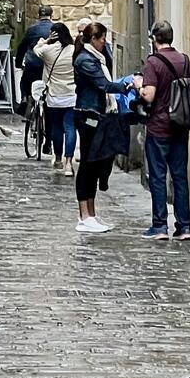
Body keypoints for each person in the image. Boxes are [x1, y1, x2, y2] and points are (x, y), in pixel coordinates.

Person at [71, 21, 139, 233]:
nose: (104, 42)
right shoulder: (86, 60)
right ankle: (84, 215)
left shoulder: (96, 57)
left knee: (94, 163)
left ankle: (91, 213)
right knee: (87, 164)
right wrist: (128, 84)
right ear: (93, 39)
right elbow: (104, 85)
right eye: (102, 39)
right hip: (88, 115)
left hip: (97, 114)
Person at [138, 20, 190, 239]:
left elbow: (149, 95)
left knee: (158, 177)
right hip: (180, 125)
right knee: (180, 176)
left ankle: (160, 226)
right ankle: (184, 226)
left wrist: (138, 86)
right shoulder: (185, 61)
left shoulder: (153, 62)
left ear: (155, 38)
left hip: (159, 126)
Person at [34, 21, 78, 173]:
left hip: (54, 96)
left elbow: (36, 50)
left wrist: (46, 40)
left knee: (57, 128)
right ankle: (69, 163)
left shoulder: (47, 51)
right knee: (70, 128)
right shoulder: (74, 50)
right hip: (71, 94)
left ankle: (58, 159)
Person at [15, 5, 55, 112]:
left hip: (33, 63)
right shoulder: (54, 29)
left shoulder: (31, 29)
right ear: (51, 15)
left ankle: (25, 98)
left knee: (25, 81)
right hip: (49, 65)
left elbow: (22, 47)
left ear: (38, 15)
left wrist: (18, 63)